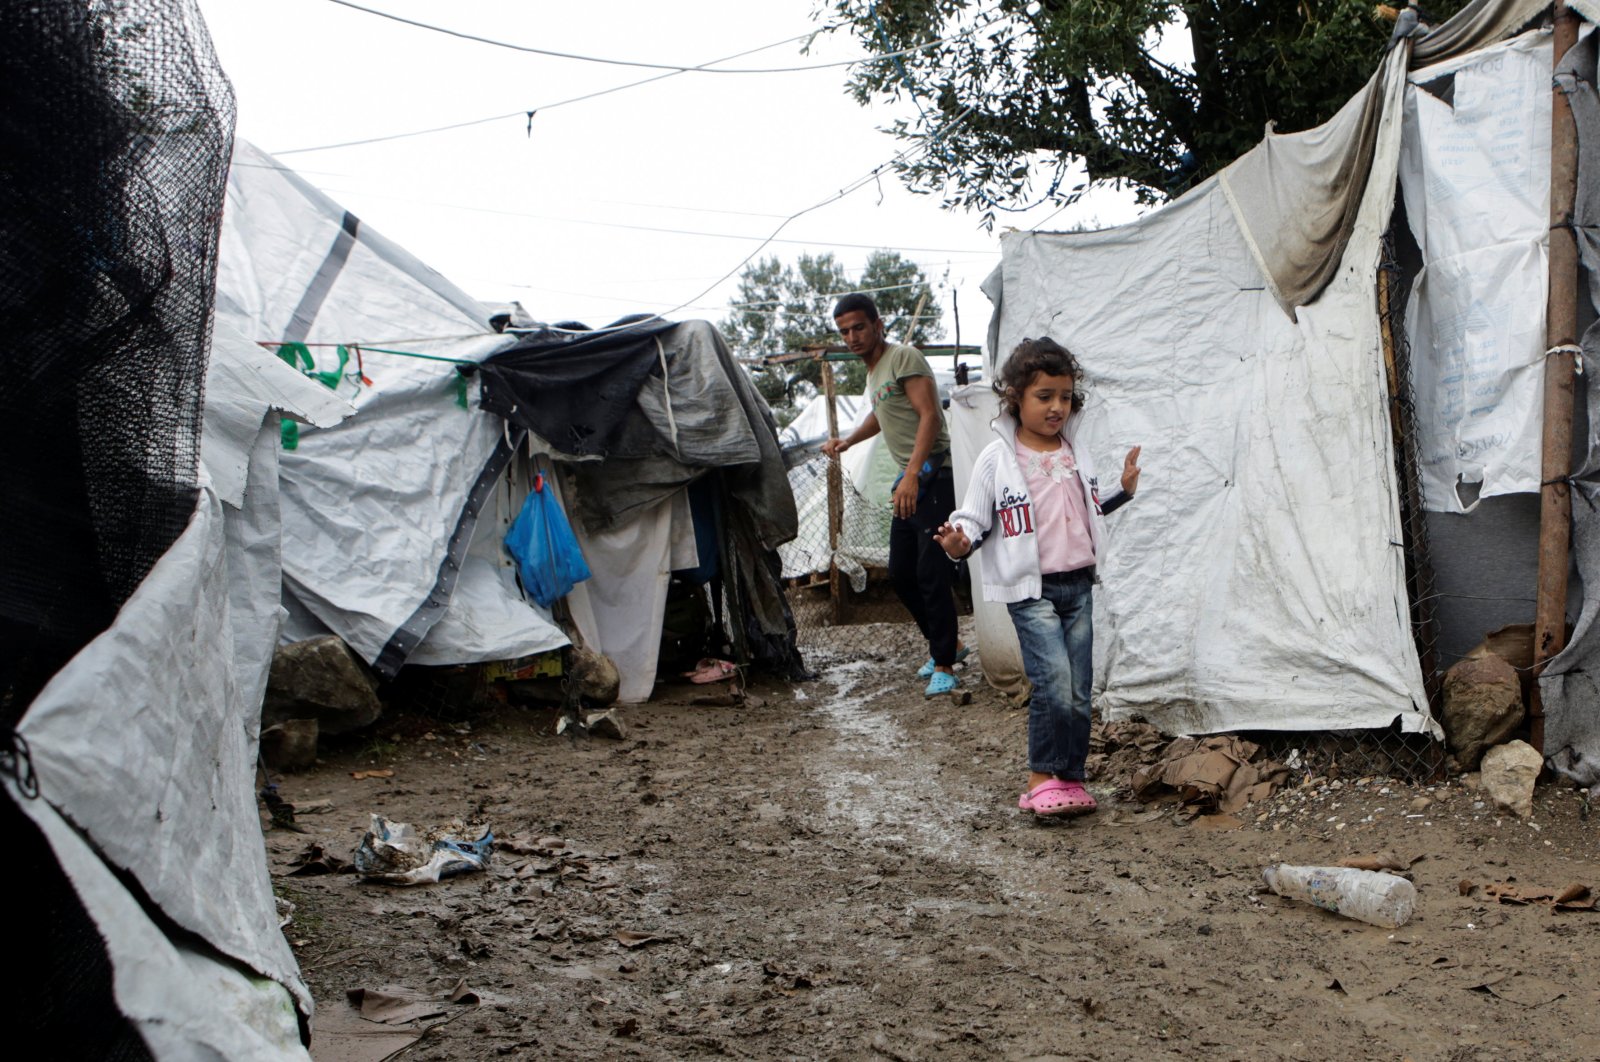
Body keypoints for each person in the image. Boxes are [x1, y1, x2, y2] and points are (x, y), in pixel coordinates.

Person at [933, 337, 1141, 817]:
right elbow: (973, 517)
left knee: (1079, 688)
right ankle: (1038, 779)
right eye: (1044, 396)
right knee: (1053, 681)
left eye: (1065, 396)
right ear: (1016, 398)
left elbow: (1088, 507)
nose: (1056, 407)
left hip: (1078, 586)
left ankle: (1069, 777)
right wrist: (958, 542)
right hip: (1032, 590)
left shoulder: (1075, 451)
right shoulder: (999, 458)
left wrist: (1122, 492)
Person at [820, 293, 970, 697]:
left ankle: (944, 663)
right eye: (844, 331)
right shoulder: (875, 373)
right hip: (911, 478)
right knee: (902, 574)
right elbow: (881, 413)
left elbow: (930, 415)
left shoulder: (903, 356)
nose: (852, 337)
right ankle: (950, 644)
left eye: (858, 327)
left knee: (929, 571)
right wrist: (848, 441)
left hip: (934, 474)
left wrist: (910, 477)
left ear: (877, 324)